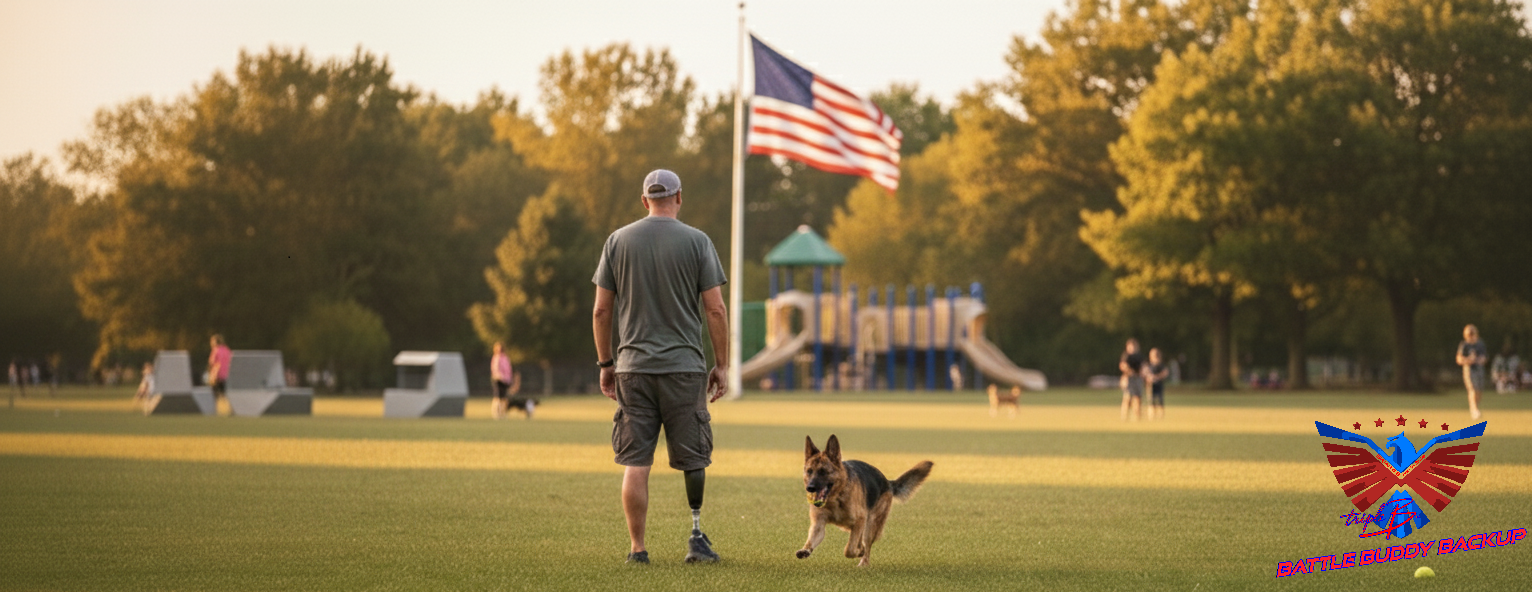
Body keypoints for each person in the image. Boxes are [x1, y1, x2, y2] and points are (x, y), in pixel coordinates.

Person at [591, 169, 728, 565]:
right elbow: (715, 309)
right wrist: (721, 365)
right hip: (684, 367)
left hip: (632, 368)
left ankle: (638, 549)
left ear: (643, 200)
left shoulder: (617, 241)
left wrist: (606, 363)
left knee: (636, 461)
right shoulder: (698, 242)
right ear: (679, 197)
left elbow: (601, 309)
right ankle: (696, 538)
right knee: (694, 457)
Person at [1456, 325, 1487, 420]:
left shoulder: (1480, 344)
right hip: (1469, 369)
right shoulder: (1464, 345)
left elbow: (1484, 358)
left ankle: (1475, 407)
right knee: (1473, 389)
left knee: (1479, 390)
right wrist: (1468, 360)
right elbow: (1459, 359)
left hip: (1479, 369)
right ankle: (1474, 409)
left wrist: (1478, 360)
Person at [1119, 339, 1146, 421]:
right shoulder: (1126, 356)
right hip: (1129, 378)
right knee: (1128, 397)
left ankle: (1137, 416)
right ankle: (1124, 416)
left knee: (1138, 397)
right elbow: (1122, 365)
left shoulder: (1139, 356)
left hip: (1137, 378)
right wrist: (1129, 371)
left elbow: (1143, 366)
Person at [490, 342, 516, 420]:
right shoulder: (496, 358)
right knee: (498, 396)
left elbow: (508, 370)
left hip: (506, 380)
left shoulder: (505, 358)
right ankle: (496, 413)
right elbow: (496, 369)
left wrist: (509, 379)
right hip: (498, 379)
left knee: (504, 397)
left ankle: (502, 412)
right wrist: (501, 377)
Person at [208, 334, 232, 415]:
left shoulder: (216, 350)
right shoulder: (227, 350)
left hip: (217, 375)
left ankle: (218, 409)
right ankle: (226, 409)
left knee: (215, 392)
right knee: (223, 392)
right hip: (226, 374)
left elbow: (212, 362)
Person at [1146, 348, 1169, 420]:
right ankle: (1151, 414)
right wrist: (1150, 377)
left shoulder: (1161, 365)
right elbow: (1146, 373)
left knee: (1160, 399)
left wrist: (1158, 377)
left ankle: (1161, 414)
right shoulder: (1149, 365)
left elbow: (1165, 372)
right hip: (1151, 385)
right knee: (1151, 400)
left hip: (1159, 384)